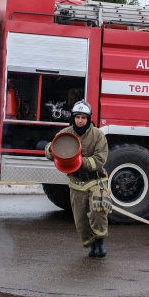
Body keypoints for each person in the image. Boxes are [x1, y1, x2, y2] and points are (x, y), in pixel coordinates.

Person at [44, 100, 110, 257]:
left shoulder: (98, 135)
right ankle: (90, 243)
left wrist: (79, 161)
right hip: (76, 182)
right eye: (77, 117)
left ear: (89, 119)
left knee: (98, 211)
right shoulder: (65, 134)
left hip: (96, 180)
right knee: (80, 219)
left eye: (83, 117)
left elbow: (100, 159)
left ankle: (100, 242)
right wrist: (50, 150)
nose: (80, 120)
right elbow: (51, 149)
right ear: (73, 118)